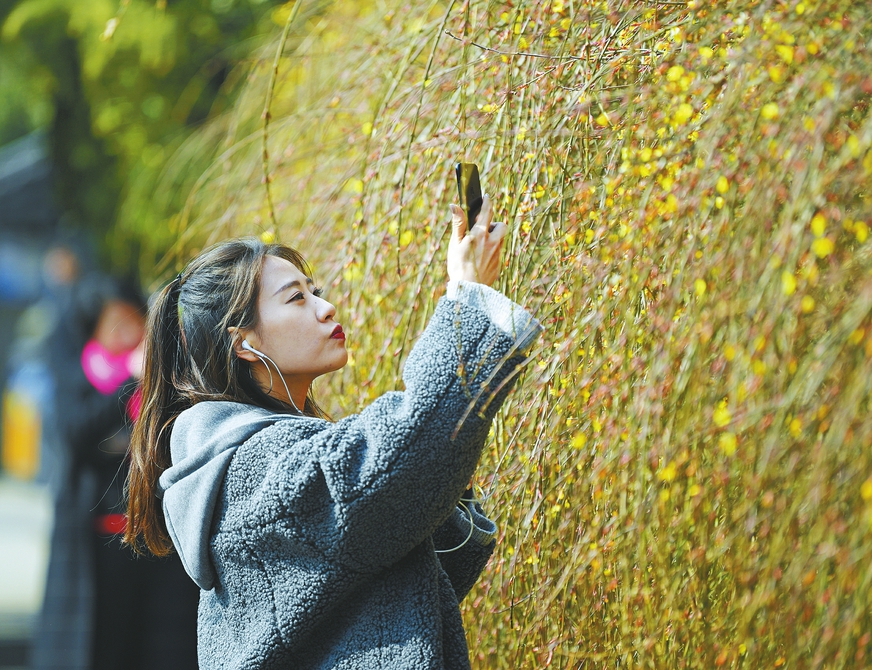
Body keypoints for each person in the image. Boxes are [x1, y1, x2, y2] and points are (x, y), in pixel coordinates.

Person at [124, 197, 543, 669]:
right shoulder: (250, 468)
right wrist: (467, 300)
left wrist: (444, 473)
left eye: (315, 290)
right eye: (297, 298)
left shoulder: (277, 452)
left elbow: (407, 582)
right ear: (244, 341)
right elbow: (396, 459)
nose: (326, 308)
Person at [31, 276, 199, 670]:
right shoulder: (82, 376)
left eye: (133, 322)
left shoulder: (166, 380)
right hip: (94, 546)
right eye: (116, 325)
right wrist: (131, 379)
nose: (128, 333)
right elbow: (75, 432)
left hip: (154, 545)